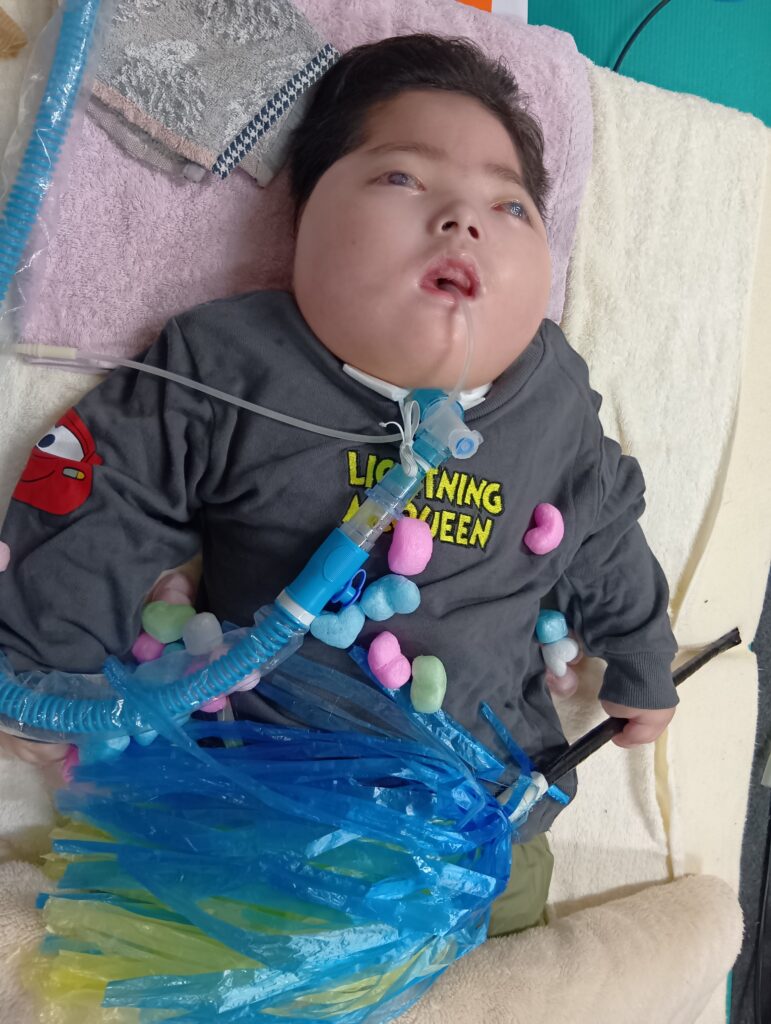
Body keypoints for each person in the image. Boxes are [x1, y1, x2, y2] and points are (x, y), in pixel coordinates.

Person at [0, 34, 678, 935]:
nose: (462, 219)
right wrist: (46, 669)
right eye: (403, 177)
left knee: (490, 965)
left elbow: (603, 525)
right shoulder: (232, 363)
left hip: (479, 825)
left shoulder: (550, 397)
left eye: (508, 205)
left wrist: (639, 653)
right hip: (261, 809)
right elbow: (103, 491)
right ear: (303, 219)